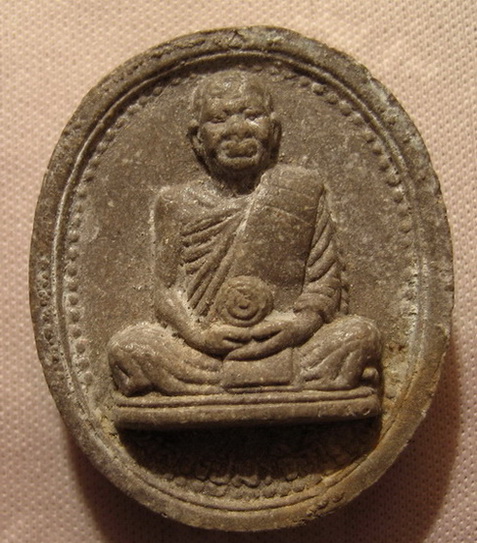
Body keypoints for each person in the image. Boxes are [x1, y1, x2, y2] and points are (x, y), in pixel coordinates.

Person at [108, 71, 381, 396]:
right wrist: (198, 336)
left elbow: (324, 284)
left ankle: (213, 389)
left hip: (287, 343)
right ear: (197, 138)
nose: (237, 130)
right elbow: (165, 291)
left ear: (274, 131)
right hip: (204, 352)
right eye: (219, 119)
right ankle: (283, 384)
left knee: (361, 336)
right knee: (129, 347)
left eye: (251, 115)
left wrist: (297, 327)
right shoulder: (175, 203)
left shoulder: (303, 189)